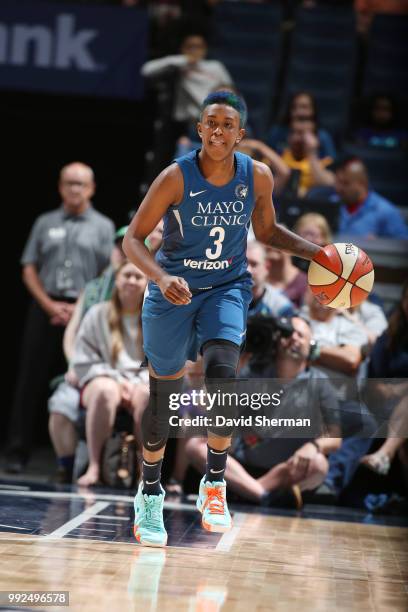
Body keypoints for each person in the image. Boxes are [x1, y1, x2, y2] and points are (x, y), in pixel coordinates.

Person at [123, 90, 324, 547]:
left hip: (226, 288)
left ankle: (214, 485)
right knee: (163, 400)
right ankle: (149, 493)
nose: (217, 130)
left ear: (241, 134)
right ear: (199, 129)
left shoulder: (258, 176)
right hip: (172, 290)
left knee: (222, 374)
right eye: (210, 122)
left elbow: (267, 232)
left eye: (226, 124)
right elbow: (132, 240)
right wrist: (158, 276)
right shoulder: (176, 176)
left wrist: (319, 255)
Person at [5, 162, 115, 474]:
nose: (75, 189)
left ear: (91, 188)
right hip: (44, 308)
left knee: (81, 378)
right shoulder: (45, 222)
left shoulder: (104, 226)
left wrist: (79, 306)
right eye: (69, 183)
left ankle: (75, 457)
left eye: (81, 184)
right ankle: (17, 450)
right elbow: (28, 266)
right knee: (29, 380)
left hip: (84, 312)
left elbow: (107, 271)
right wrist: (50, 305)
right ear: (60, 186)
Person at [186, 316, 342, 508]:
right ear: (276, 341)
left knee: (319, 465)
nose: (293, 338)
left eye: (300, 335)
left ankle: (247, 492)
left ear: (312, 347)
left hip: (286, 470)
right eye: (287, 333)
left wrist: (314, 447)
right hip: (241, 466)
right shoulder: (253, 371)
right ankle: (261, 494)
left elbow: (335, 436)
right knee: (197, 445)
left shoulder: (320, 382)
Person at [71, 260, 149, 487]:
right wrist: (116, 380)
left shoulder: (153, 318)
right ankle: (95, 466)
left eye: (138, 277)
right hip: (103, 378)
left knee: (148, 396)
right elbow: (83, 357)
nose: (132, 281)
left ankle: (147, 472)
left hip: (140, 382)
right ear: (117, 279)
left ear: (146, 283)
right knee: (105, 391)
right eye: (127, 275)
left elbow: (159, 362)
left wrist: (136, 383)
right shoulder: (97, 314)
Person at [141, 33, 233, 165]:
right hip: (187, 124)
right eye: (190, 47)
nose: (195, 50)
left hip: (213, 122)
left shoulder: (215, 67)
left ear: (205, 49)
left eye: (199, 47)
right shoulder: (180, 65)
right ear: (183, 49)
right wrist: (182, 59)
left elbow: (230, 91)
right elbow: (146, 70)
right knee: (180, 163)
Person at [333, 157, 408, 238]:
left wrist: (379, 243)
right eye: (337, 183)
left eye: (345, 183)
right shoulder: (334, 204)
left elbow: (402, 245)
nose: (338, 188)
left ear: (362, 183)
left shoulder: (385, 211)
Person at [267, 91, 337, 159]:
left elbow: (331, 167)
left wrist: (312, 151)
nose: (299, 112)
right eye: (294, 107)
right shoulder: (277, 132)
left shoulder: (323, 137)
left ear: (313, 110)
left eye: (304, 107)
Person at [280, 119, 335, 198]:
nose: (296, 138)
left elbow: (329, 184)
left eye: (301, 133)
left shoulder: (325, 162)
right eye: (293, 132)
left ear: (315, 138)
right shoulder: (279, 156)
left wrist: (311, 152)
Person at [246, 241, 295, 319]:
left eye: (254, 264)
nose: (248, 270)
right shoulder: (223, 297)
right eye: (244, 263)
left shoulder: (280, 305)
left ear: (267, 267)